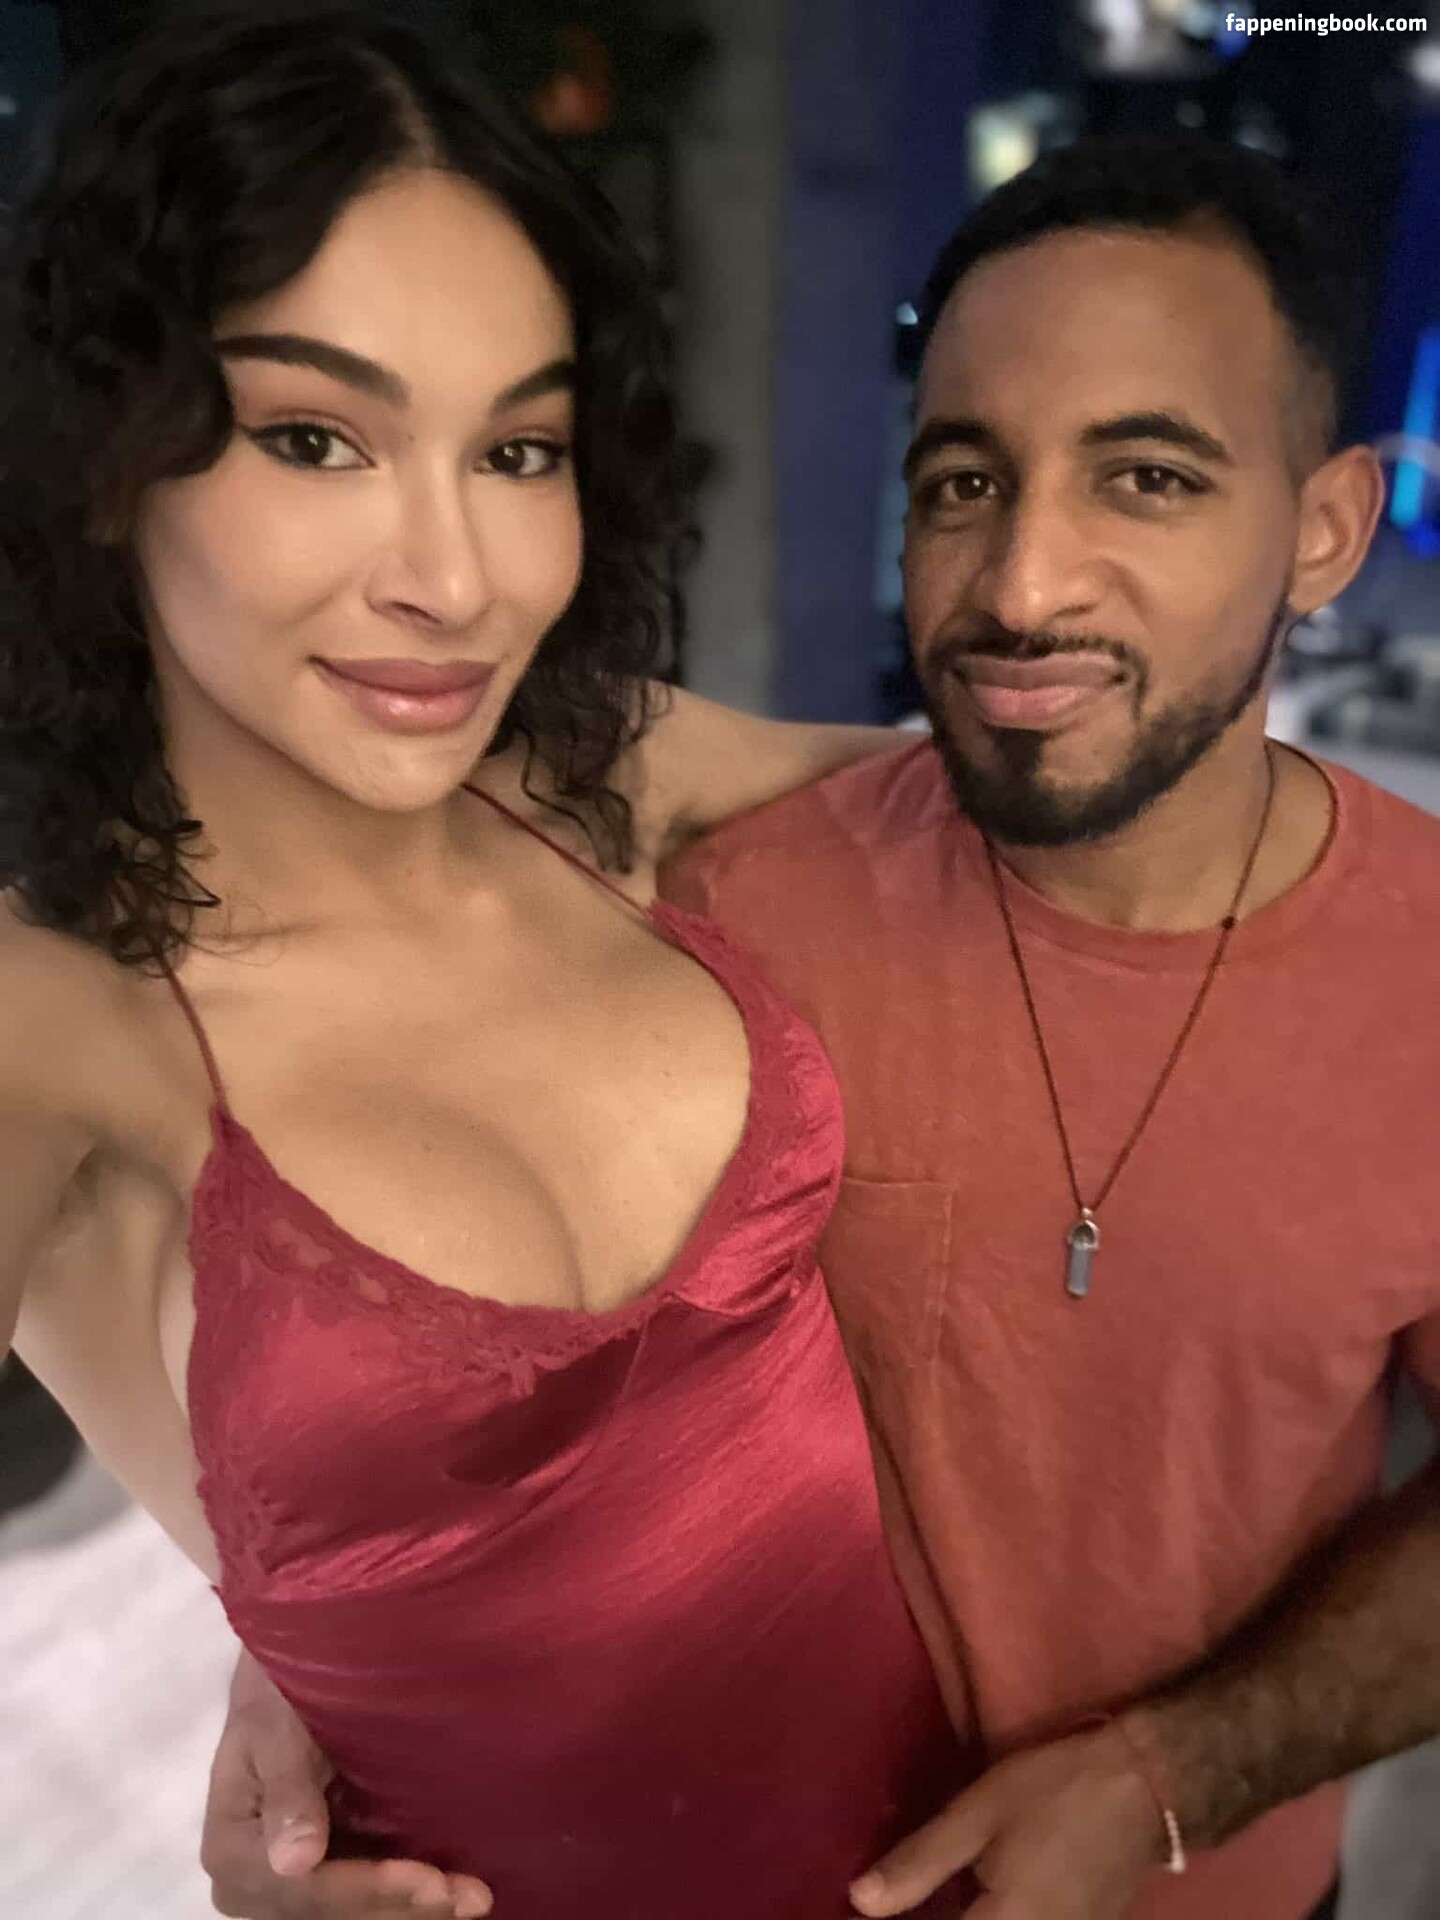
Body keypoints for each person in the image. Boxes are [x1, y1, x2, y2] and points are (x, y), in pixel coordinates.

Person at [213, 136, 1440, 1920]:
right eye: (964, 483)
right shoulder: (730, 919)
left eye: (1149, 479)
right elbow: (476, 1380)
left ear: (1323, 530)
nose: (1022, 584)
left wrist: (1173, 1778)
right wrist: (320, 1680)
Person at [0, 6, 978, 1916]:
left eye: (519, 448)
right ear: (109, 453)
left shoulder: (609, 776)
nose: (454, 580)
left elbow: (1045, 817)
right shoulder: (54, 1020)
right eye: (314, 438)